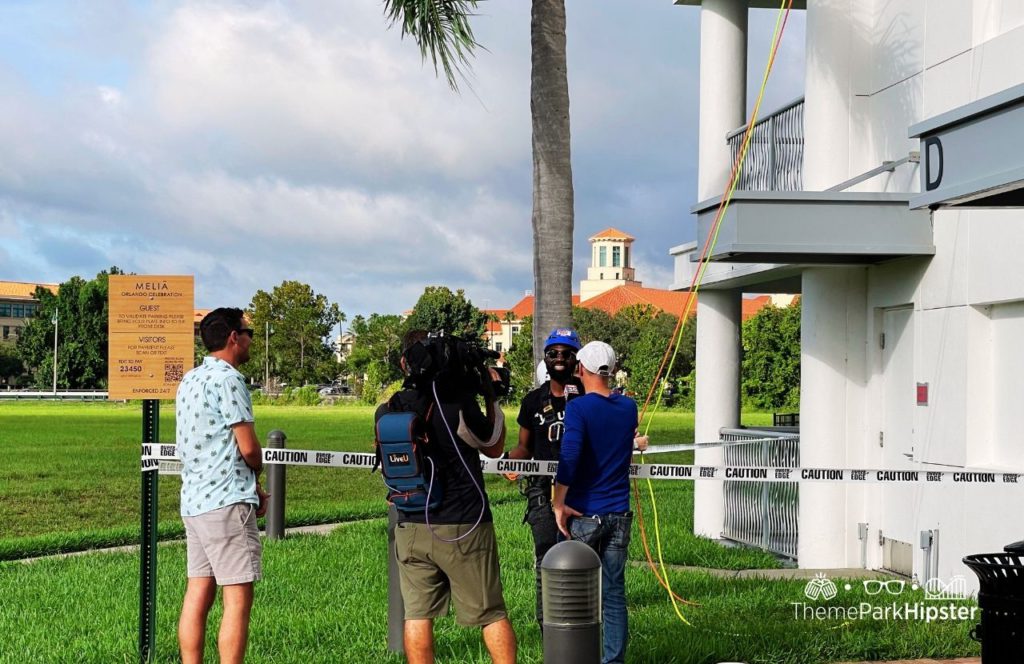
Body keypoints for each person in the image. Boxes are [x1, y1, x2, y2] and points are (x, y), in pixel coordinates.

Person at [377, 330, 517, 664]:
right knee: (491, 612)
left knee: (417, 615)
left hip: (410, 524)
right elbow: (495, 446)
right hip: (463, 525)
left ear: (403, 363)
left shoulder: (388, 409)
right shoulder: (457, 404)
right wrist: (491, 396)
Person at [175, 307, 269, 664]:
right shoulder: (229, 379)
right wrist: (257, 477)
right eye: (248, 333)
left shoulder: (189, 379)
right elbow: (247, 447)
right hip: (227, 501)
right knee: (238, 599)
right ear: (233, 336)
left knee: (197, 592)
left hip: (194, 501)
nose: (249, 340)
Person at [552, 340, 638, 664]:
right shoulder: (628, 407)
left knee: (575, 593)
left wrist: (558, 500)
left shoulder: (578, 408)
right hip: (619, 514)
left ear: (581, 369)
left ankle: (574, 655)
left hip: (584, 514)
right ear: (612, 369)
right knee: (613, 594)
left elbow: (570, 455)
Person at [507, 327, 583, 627]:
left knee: (583, 559)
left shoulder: (586, 395)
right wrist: (511, 463)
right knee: (546, 558)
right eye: (554, 353)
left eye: (567, 354)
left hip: (583, 490)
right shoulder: (532, 401)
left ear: (577, 359)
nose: (560, 359)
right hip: (542, 492)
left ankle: (581, 627)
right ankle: (548, 628)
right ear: (546, 358)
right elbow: (523, 446)